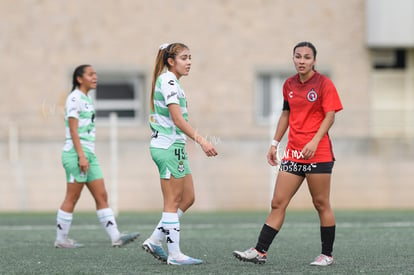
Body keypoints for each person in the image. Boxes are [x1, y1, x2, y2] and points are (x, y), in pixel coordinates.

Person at [233, 42, 343, 266]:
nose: (302, 61)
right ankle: (260, 251)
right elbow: (286, 114)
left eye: (307, 57)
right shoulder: (289, 84)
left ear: (314, 61)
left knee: (321, 203)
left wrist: (314, 141)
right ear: (293, 58)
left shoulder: (324, 84)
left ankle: (327, 255)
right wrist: (274, 143)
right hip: (293, 152)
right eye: (298, 56)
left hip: (318, 152)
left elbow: (330, 116)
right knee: (277, 202)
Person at [142, 43, 218, 265]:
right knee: (172, 201)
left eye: (190, 57)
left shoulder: (172, 82)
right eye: (184, 58)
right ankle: (175, 255)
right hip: (167, 147)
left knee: (188, 198)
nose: (189, 62)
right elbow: (177, 120)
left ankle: (155, 240)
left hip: (175, 147)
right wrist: (203, 141)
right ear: (170, 61)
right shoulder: (168, 80)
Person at [55, 64, 139, 248]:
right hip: (76, 155)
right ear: (79, 79)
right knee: (72, 197)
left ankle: (116, 236)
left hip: (88, 155)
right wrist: (81, 156)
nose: (95, 77)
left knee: (102, 195)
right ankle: (61, 240)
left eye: (96, 74)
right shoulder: (74, 98)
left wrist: (86, 155)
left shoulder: (87, 98)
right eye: (90, 74)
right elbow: (73, 130)